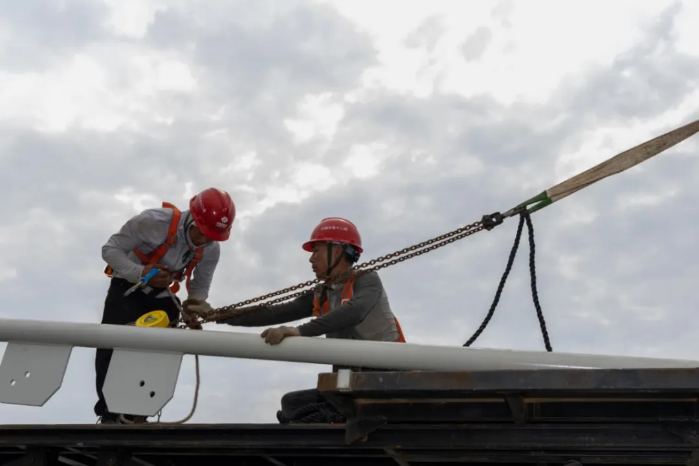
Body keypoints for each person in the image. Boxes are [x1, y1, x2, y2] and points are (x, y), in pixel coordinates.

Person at [184, 217, 406, 423]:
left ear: (336, 250)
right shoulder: (323, 293)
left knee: (322, 412)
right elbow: (274, 312)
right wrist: (219, 316)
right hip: (350, 385)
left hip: (385, 381)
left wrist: (300, 331)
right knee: (292, 404)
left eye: (316, 250)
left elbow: (354, 312)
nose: (311, 258)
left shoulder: (367, 280)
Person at [95, 187, 235, 424]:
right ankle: (110, 414)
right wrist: (139, 272)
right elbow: (110, 250)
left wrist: (194, 308)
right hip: (127, 286)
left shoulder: (211, 248)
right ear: (192, 217)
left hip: (163, 295)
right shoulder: (152, 222)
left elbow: (200, 286)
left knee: (165, 344)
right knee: (113, 343)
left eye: (212, 236)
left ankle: (139, 411)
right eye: (202, 233)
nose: (206, 241)